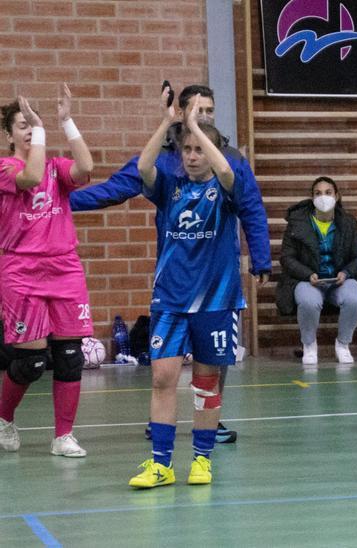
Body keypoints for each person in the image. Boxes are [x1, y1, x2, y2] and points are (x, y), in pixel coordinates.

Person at [70, 84, 269, 445]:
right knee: (166, 368)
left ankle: (211, 421)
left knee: (214, 361)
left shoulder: (231, 159)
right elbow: (113, 189)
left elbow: (252, 207)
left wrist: (261, 257)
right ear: (180, 112)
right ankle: (158, 425)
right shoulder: (163, 157)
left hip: (216, 278)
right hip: (177, 276)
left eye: (209, 111)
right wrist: (63, 203)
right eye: (196, 110)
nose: (204, 117)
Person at [127, 85, 264, 488]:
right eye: (186, 149)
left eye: (198, 149)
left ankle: (202, 459)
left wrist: (197, 128)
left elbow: (225, 170)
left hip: (216, 301)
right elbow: (143, 168)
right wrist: (170, 123)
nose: (191, 155)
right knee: (163, 378)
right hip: (170, 299)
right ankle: (161, 464)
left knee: (205, 384)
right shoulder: (170, 187)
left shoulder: (226, 187)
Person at [0, 86, 94, 458]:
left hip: (64, 268)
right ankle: (4, 417)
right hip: (22, 270)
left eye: (32, 125)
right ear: (9, 135)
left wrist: (65, 121)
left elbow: (86, 169)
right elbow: (31, 176)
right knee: (31, 360)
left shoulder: (57, 167)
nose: (28, 130)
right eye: (21, 126)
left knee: (71, 354)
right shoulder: (6, 167)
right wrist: (41, 131)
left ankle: (63, 436)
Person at [277, 176, 357, 366]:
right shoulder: (297, 223)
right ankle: (309, 345)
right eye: (318, 193)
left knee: (355, 298)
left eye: (328, 192)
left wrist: (346, 273)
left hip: (339, 280)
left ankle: (343, 345)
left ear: (337, 196)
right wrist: (307, 274)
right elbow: (286, 258)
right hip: (307, 280)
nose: (323, 197)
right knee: (309, 301)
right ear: (311, 198)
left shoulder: (349, 223)